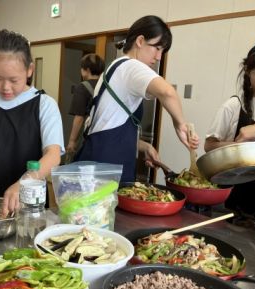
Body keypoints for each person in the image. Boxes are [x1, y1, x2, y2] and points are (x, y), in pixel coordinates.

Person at [75, 15, 199, 183]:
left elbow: (109, 125)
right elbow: (168, 93)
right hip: (106, 170)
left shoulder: (115, 68)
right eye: (157, 48)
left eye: (162, 51)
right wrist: (180, 124)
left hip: (98, 161)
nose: (159, 57)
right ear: (140, 41)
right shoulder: (132, 66)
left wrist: (143, 146)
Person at [0, 29, 64, 215]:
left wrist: (26, 181)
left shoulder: (44, 104)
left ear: (30, 70)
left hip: (30, 203)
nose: (5, 87)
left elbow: (53, 154)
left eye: (14, 80)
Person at [205, 39, 255, 218]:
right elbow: (209, 146)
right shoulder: (233, 106)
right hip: (236, 199)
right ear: (248, 72)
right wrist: (237, 147)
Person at [65, 53, 104, 162]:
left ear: (86, 70)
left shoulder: (82, 87)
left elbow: (79, 117)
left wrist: (72, 141)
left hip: (90, 137)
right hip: (105, 135)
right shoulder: (107, 86)